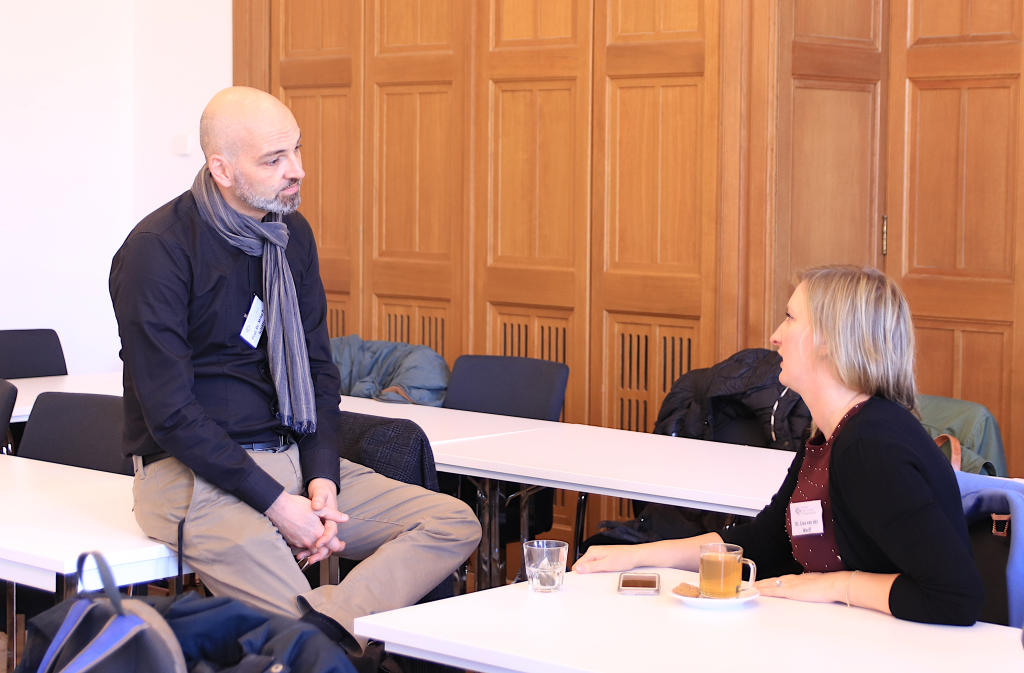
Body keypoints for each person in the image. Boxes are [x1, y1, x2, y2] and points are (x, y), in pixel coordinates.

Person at [109, 86, 481, 653]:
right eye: (274, 159)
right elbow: (171, 414)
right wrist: (280, 507)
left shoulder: (289, 235)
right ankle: (319, 637)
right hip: (190, 477)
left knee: (452, 522)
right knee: (304, 644)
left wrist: (322, 479)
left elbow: (317, 373)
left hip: (289, 457)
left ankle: (327, 624)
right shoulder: (157, 251)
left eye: (297, 150)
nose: (297, 170)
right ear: (222, 169)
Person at [575, 265, 984, 625]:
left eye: (790, 318)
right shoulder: (829, 435)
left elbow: (955, 597)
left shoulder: (872, 445)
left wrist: (833, 585)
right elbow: (768, 542)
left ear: (828, 339)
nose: (774, 336)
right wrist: (641, 554)